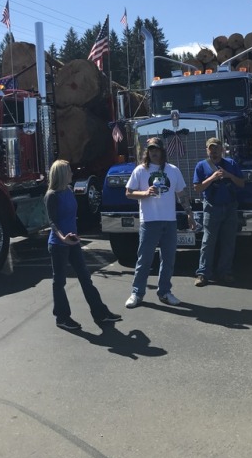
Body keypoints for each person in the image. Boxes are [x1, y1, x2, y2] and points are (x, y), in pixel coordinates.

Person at [45, 159, 122, 330]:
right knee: (59, 282)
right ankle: (62, 318)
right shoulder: (52, 195)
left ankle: (100, 313)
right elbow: (52, 222)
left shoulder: (69, 191)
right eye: (69, 171)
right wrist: (62, 237)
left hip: (73, 241)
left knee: (85, 278)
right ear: (61, 174)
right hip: (58, 244)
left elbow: (72, 217)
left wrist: (74, 235)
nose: (72, 174)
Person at [124, 137, 196, 308]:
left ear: (163, 151)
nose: (154, 152)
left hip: (169, 221)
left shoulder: (173, 170)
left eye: (157, 149)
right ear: (147, 152)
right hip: (149, 221)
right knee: (145, 259)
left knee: (169, 259)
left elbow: (182, 194)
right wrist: (145, 193)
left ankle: (164, 291)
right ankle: (137, 293)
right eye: (151, 150)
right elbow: (128, 193)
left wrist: (190, 214)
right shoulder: (140, 171)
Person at [193, 138, 245, 287]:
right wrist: (212, 178)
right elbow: (197, 188)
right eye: (211, 148)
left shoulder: (231, 164)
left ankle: (225, 272)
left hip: (230, 207)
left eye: (216, 148)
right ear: (207, 150)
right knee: (208, 242)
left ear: (222, 149)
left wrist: (229, 176)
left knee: (228, 241)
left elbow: (241, 183)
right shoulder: (201, 166)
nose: (214, 151)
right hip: (211, 207)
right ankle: (203, 274)